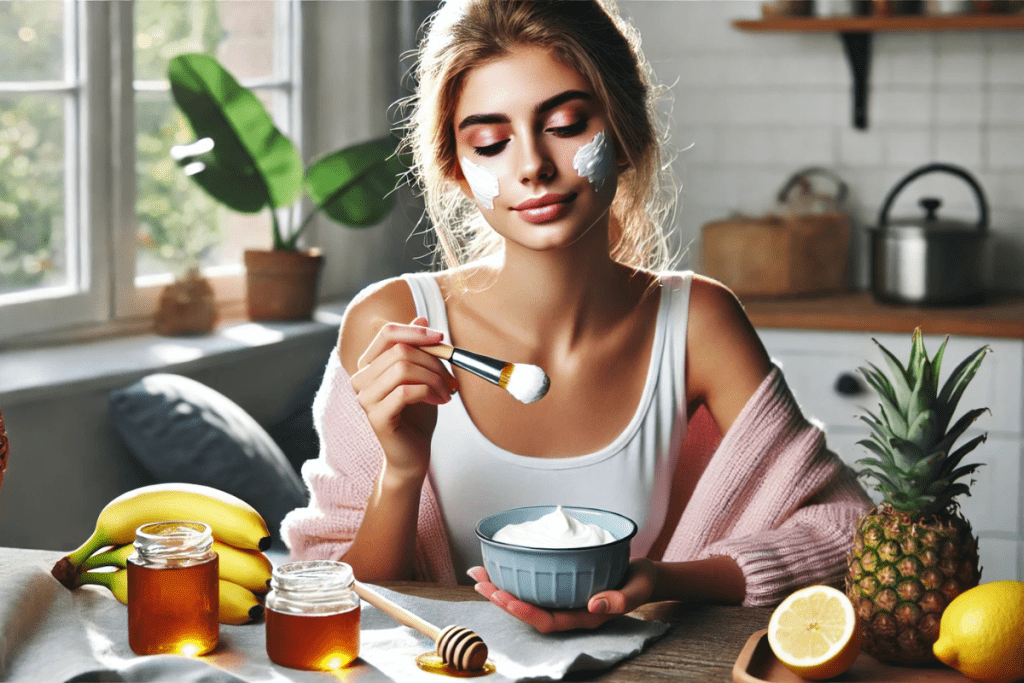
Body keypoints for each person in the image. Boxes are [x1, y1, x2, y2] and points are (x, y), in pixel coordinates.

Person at [281, 0, 872, 633]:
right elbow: (330, 598)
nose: (531, 165)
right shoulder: (392, 322)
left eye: (564, 124)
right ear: (455, 167)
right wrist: (400, 471)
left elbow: (851, 535)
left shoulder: (696, 322)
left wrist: (664, 581)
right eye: (490, 141)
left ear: (624, 132)